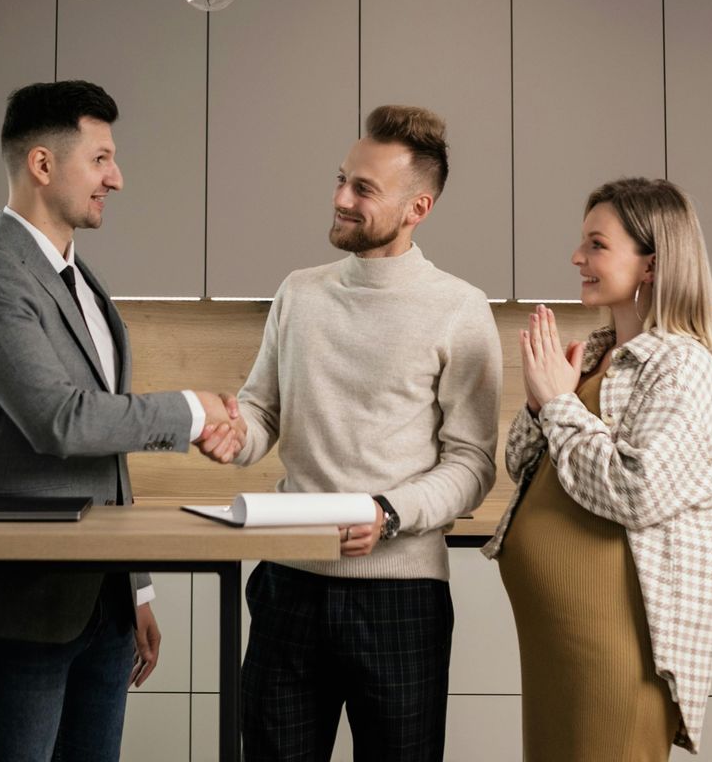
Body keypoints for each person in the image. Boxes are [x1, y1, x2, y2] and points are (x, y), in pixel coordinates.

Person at [0, 80, 242, 762]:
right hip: (14, 602)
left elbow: (105, 455)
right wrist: (190, 409)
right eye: (100, 159)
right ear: (42, 164)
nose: (115, 179)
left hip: (100, 605)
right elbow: (60, 422)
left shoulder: (79, 279)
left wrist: (136, 588)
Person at [200, 104, 501, 762]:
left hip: (401, 595)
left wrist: (389, 513)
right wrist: (232, 432)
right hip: (288, 586)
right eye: (341, 179)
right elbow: (262, 414)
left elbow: (474, 465)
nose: (340, 198)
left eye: (363, 189)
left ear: (417, 207)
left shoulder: (460, 308)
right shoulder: (299, 293)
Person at [484, 177, 712, 759]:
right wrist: (541, 401)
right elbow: (520, 465)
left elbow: (638, 491)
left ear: (650, 265)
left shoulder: (682, 367)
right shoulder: (601, 355)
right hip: (560, 637)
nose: (578, 256)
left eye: (596, 245)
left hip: (614, 640)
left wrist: (557, 404)